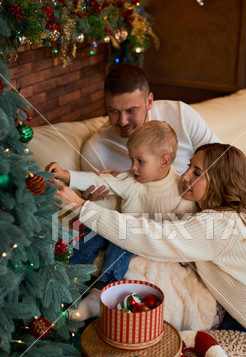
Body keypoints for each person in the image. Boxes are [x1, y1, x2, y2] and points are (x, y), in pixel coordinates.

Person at [51, 143, 246, 357]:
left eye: (197, 172)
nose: (185, 175)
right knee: (218, 355)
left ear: (218, 180)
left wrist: (82, 207)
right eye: (189, 166)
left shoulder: (220, 225)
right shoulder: (228, 213)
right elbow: (157, 217)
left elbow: (151, 237)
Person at [80, 63, 246, 235]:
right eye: (113, 111)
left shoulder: (179, 114)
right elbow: (110, 212)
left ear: (149, 101)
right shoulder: (96, 150)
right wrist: (92, 198)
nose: (122, 121)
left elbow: (221, 158)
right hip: (187, 217)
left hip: (222, 190)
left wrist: (238, 201)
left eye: (131, 110)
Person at [46, 120, 197, 320]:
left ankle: (100, 290)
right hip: (114, 227)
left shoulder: (180, 194)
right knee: (92, 231)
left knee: (124, 240)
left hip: (142, 240)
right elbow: (100, 181)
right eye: (131, 159)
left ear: (164, 161)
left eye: (140, 161)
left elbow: (181, 233)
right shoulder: (131, 179)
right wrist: (66, 175)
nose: (132, 167)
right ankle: (65, 277)